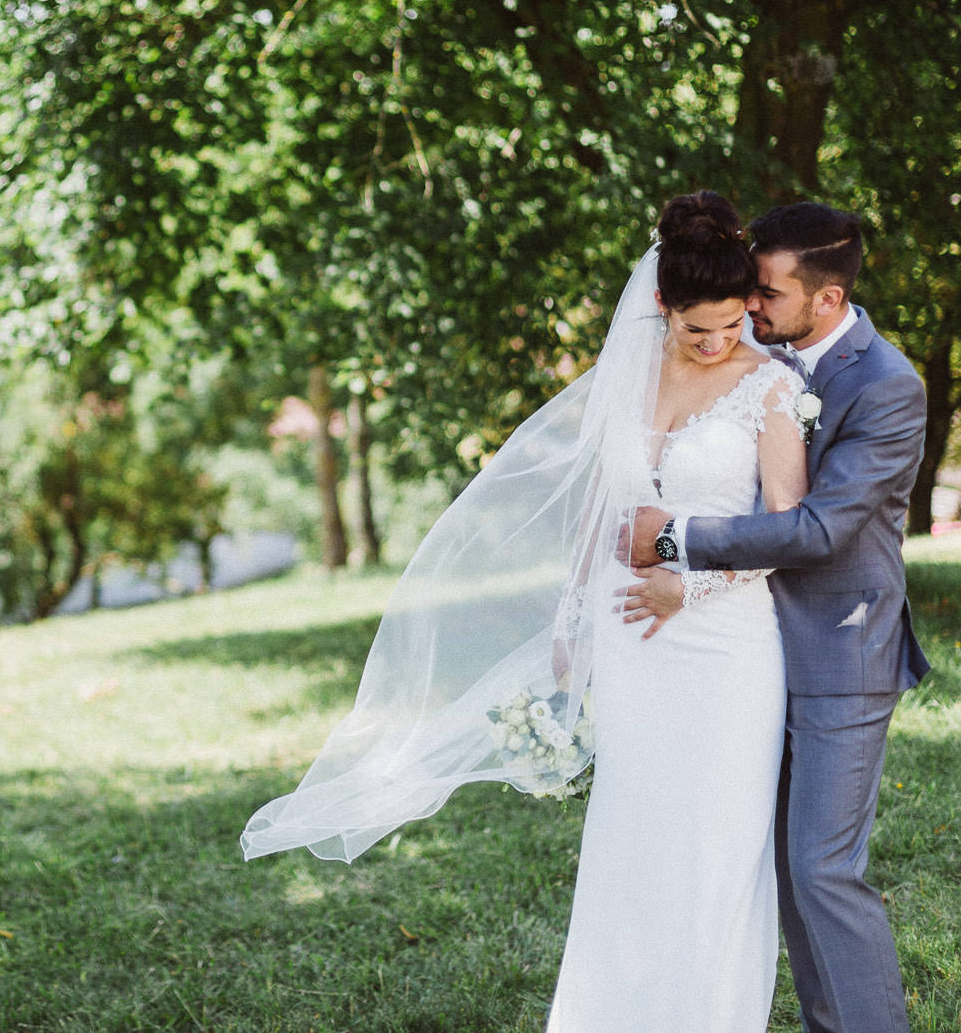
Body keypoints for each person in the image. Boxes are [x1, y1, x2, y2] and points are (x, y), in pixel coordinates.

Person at [239, 191, 817, 1030]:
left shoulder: (768, 387)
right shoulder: (629, 377)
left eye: (734, 323)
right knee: (631, 846)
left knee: (718, 852)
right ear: (662, 307)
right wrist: (570, 623)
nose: (721, 341)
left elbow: (785, 528)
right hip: (630, 651)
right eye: (701, 328)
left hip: (727, 652)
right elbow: (597, 509)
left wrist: (686, 581)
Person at [624, 200, 931, 1033]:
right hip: (750, 655)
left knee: (823, 870)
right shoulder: (757, 358)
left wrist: (678, 541)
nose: (751, 305)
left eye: (767, 291)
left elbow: (824, 528)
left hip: (842, 654)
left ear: (825, 299)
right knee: (783, 874)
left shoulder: (887, 384)